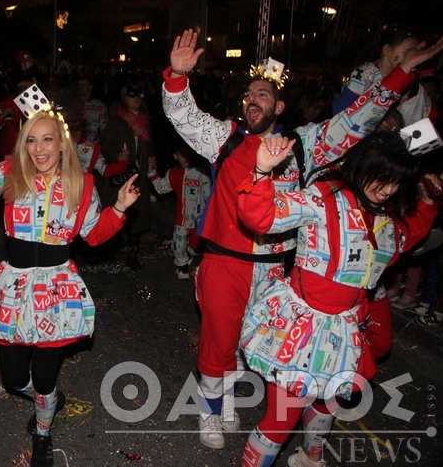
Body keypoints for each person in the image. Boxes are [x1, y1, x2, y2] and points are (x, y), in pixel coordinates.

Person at [162, 28, 443, 449]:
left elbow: (356, 120)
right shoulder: (225, 138)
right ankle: (211, 409)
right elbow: (183, 115)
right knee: (218, 340)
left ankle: (229, 397)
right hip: (226, 262)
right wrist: (177, 77)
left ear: (279, 105)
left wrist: (400, 74)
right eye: (248, 95)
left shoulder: (304, 145)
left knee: (250, 342)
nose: (252, 100)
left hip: (277, 272)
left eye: (263, 95)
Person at [0, 105, 140, 467]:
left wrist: (120, 209)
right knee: (13, 377)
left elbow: (94, 234)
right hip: (13, 291)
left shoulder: (80, 184)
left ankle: (44, 431)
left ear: (62, 145)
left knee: (46, 376)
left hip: (56, 293)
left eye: (47, 139)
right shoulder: (8, 174)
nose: (39, 148)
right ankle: (44, 399)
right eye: (31, 140)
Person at [236, 131, 438, 467]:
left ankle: (309, 457)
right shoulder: (323, 197)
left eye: (396, 182)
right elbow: (260, 217)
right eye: (383, 178)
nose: (388, 189)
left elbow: (407, 236)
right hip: (301, 329)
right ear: (364, 166)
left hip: (343, 330)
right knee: (281, 419)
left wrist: (429, 204)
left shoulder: (385, 215)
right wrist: (260, 172)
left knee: (328, 400)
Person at [99, 80, 156, 270]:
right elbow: (105, 145)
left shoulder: (145, 121)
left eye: (139, 96)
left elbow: (149, 144)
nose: (136, 99)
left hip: (140, 174)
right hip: (123, 174)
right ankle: (112, 249)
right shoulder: (117, 120)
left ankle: (133, 254)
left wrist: (151, 157)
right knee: (120, 211)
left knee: (138, 214)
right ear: (125, 97)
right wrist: (116, 155)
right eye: (132, 96)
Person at [332, 24, 437, 124]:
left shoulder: (412, 85)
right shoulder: (366, 75)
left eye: (416, 54)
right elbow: (340, 109)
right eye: (407, 53)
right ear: (387, 50)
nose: (412, 58)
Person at [147, 145, 211, 279]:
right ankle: (182, 267)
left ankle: (189, 255)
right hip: (182, 218)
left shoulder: (202, 173)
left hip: (199, 219)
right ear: (176, 156)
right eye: (182, 155)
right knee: (179, 244)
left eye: (188, 155)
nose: (186, 159)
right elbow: (162, 188)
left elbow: (209, 196)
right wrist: (152, 173)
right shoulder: (174, 173)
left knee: (196, 247)